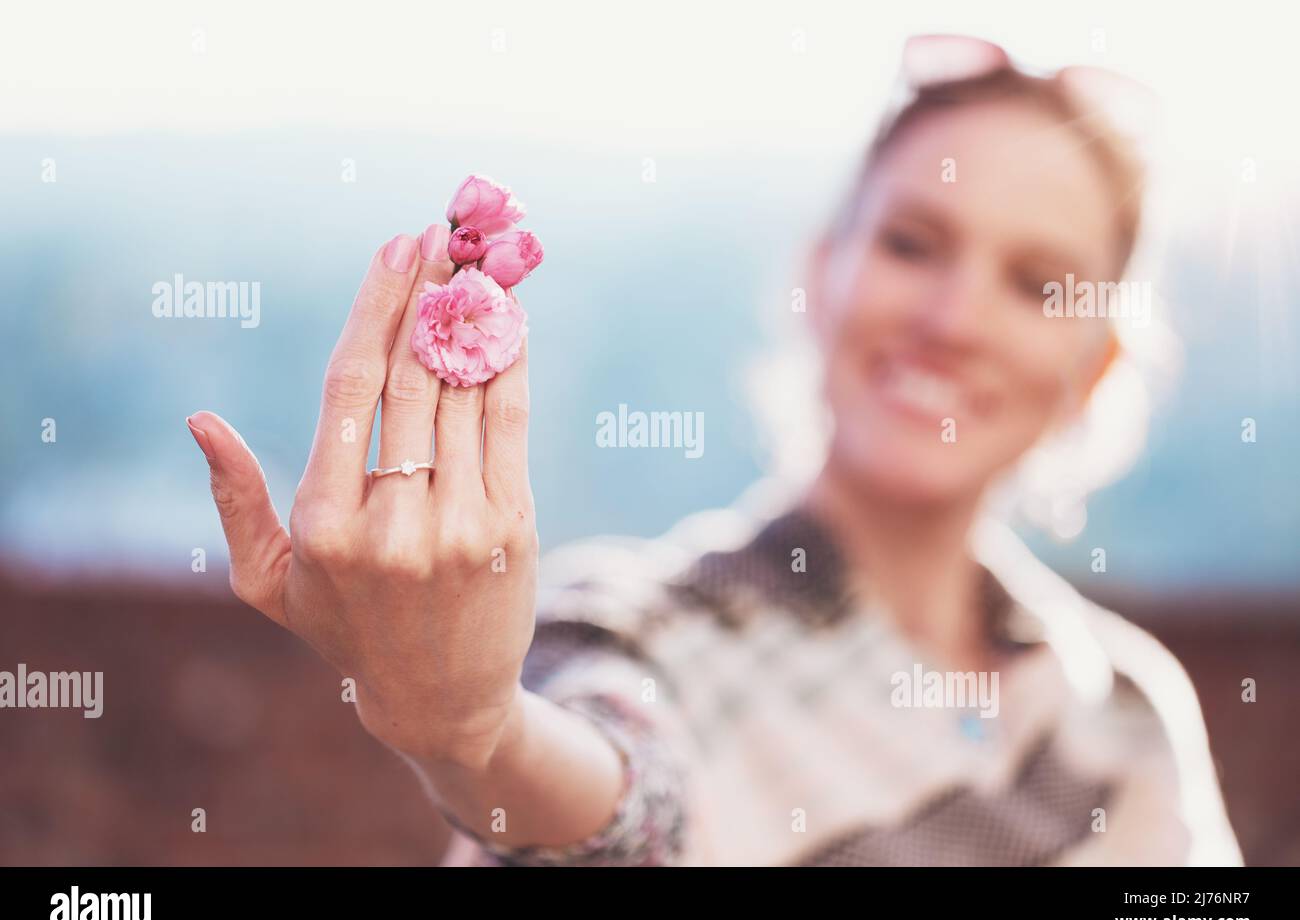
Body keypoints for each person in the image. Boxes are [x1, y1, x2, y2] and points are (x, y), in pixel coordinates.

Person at [187, 36, 1241, 866]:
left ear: (1093, 368)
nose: (954, 316)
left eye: (1034, 283)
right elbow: (609, 789)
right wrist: (476, 731)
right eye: (912, 243)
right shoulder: (630, 625)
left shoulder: (1127, 701)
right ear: (820, 275)